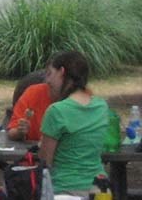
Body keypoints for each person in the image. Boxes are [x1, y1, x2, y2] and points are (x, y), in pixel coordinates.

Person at [40, 50, 111, 196]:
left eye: (49, 74)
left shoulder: (57, 111)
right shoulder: (101, 106)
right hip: (100, 188)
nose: (47, 81)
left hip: (65, 189)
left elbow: (45, 161)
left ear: (61, 72)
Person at [6, 74, 51, 142]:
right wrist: (20, 131)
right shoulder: (33, 93)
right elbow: (11, 132)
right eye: (48, 73)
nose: (48, 80)